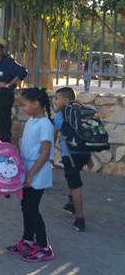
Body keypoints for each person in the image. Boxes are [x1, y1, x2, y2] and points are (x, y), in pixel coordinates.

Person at [6, 87, 55, 262]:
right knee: (25, 207)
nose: (22, 108)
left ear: (36, 104)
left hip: (37, 173)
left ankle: (43, 246)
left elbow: (45, 153)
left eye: (24, 104)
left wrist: (31, 174)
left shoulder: (45, 124)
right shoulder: (32, 122)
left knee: (32, 209)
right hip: (28, 171)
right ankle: (27, 240)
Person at [53, 87, 94, 232]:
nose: (54, 101)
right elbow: (87, 135)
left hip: (69, 155)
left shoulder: (59, 116)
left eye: (57, 98)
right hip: (83, 154)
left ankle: (80, 218)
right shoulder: (82, 113)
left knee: (75, 184)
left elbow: (53, 136)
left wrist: (49, 155)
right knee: (71, 177)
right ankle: (71, 203)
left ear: (66, 100)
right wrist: (89, 157)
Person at [0, 38, 28, 143]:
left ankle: (5, 148)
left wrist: (8, 84)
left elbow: (23, 72)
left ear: (3, 50)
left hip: (3, 97)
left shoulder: (8, 62)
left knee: (2, 126)